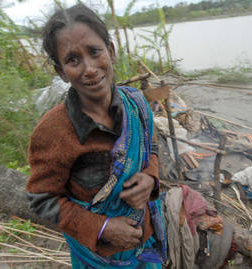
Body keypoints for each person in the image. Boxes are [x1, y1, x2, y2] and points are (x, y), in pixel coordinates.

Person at [25, 4, 165, 268]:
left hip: (145, 245)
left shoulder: (136, 105)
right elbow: (42, 200)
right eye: (73, 60)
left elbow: (152, 149)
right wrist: (101, 227)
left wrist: (150, 178)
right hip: (95, 258)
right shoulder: (52, 131)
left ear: (110, 51)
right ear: (61, 72)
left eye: (94, 51)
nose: (89, 69)